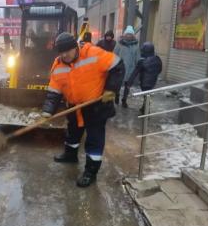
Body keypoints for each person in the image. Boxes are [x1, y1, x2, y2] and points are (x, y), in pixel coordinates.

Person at [42, 32, 125, 188]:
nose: (65, 55)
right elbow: (54, 91)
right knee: (72, 133)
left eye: (68, 50)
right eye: (61, 52)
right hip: (74, 106)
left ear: (75, 47)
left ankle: (90, 172)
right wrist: (47, 111)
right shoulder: (58, 65)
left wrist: (111, 89)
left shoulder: (93, 53)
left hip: (96, 107)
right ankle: (70, 155)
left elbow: (118, 66)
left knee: (94, 139)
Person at [127, 42, 162, 114]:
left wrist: (129, 83)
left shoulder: (142, 61)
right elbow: (160, 69)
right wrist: (154, 75)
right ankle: (144, 108)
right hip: (152, 81)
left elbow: (135, 73)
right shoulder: (157, 59)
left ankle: (146, 111)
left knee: (146, 96)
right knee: (147, 95)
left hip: (144, 82)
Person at [113, 25, 140, 108]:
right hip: (120, 68)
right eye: (127, 34)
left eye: (130, 34)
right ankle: (117, 96)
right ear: (125, 34)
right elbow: (114, 55)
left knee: (127, 86)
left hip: (131, 68)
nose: (128, 35)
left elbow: (137, 56)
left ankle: (124, 100)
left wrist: (138, 66)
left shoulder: (135, 45)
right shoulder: (119, 44)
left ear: (132, 35)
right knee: (118, 85)